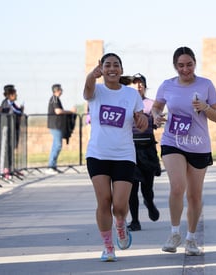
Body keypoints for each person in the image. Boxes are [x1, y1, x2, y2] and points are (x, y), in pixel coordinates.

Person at [151, 46, 216, 256]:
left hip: (198, 144)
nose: (185, 69)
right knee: (177, 187)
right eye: (180, 65)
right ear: (175, 66)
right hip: (173, 141)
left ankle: (191, 238)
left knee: (194, 195)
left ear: (194, 64)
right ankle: (174, 233)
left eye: (189, 64)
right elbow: (156, 107)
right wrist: (155, 116)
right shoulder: (166, 85)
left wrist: (205, 107)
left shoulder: (206, 85)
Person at [84, 53, 148, 262]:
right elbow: (87, 91)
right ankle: (108, 247)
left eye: (116, 65)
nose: (112, 68)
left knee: (119, 206)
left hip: (124, 155)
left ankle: (121, 225)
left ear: (121, 69)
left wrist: (142, 121)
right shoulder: (96, 90)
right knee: (103, 201)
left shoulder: (131, 94)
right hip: (98, 154)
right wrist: (91, 77)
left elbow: (142, 122)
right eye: (107, 65)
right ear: (101, 68)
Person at [127, 73, 161, 231]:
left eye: (141, 83)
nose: (138, 86)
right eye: (135, 83)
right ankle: (134, 220)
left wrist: (157, 119)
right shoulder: (125, 102)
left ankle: (149, 203)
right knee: (131, 188)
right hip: (130, 149)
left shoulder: (151, 104)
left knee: (147, 187)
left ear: (145, 86)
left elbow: (156, 118)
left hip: (147, 149)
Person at [46, 83, 76, 174]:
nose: (62, 91)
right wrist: (70, 111)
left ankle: (53, 166)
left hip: (57, 125)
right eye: (60, 89)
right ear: (57, 90)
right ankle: (50, 166)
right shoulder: (54, 99)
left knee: (56, 145)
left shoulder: (56, 99)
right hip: (55, 125)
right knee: (57, 145)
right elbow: (58, 111)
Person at [0, 84, 24, 179]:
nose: (16, 95)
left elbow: (18, 111)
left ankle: (11, 168)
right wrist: (20, 111)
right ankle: (5, 170)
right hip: (7, 128)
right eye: (15, 93)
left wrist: (21, 110)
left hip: (14, 128)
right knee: (7, 149)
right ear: (10, 95)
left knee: (12, 148)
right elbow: (15, 111)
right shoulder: (6, 103)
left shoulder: (13, 103)